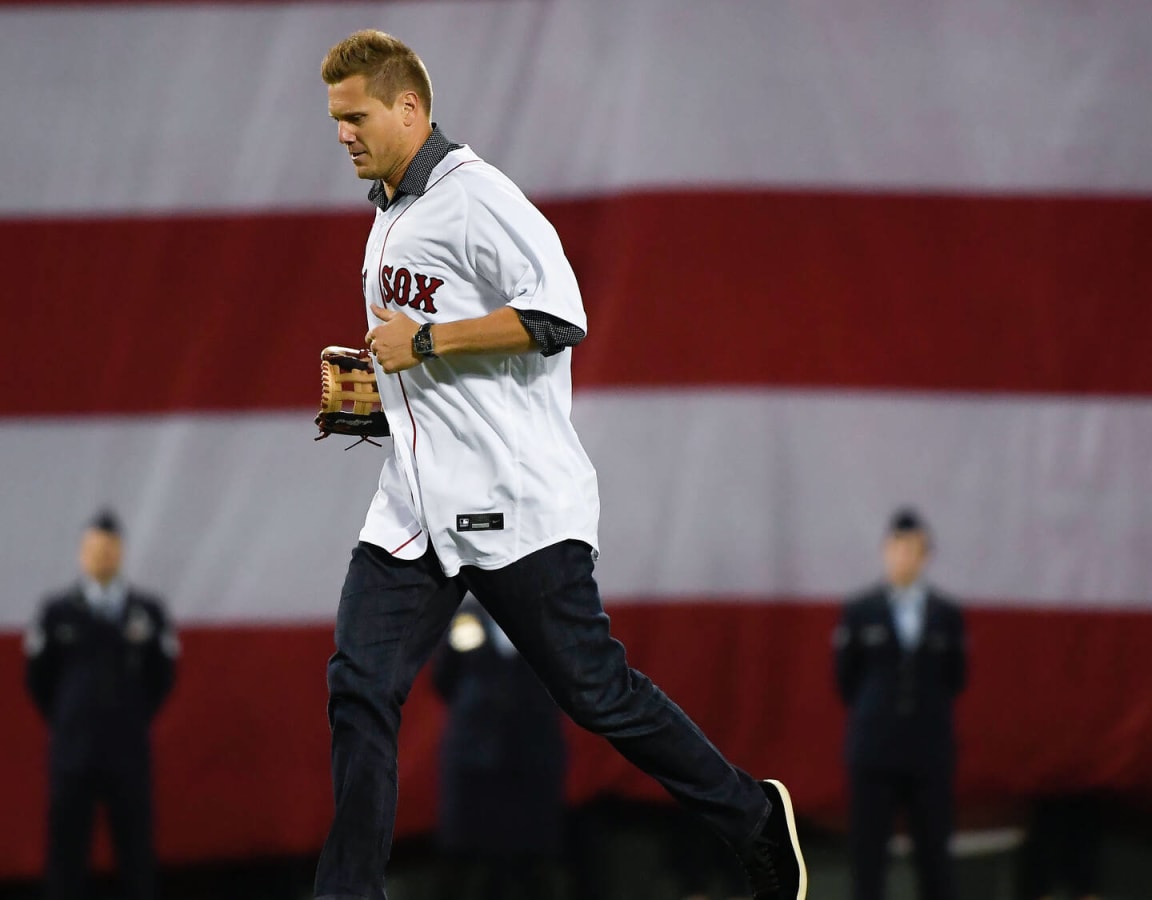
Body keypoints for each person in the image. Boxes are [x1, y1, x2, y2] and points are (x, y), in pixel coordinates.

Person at [314, 30, 805, 900]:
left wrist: (423, 342)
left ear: (409, 108)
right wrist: (393, 409)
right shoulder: (390, 205)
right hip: (415, 514)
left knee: (600, 695)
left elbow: (559, 313)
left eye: (356, 116)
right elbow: (445, 369)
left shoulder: (476, 197)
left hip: (514, 506)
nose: (343, 132)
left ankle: (753, 818)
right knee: (360, 688)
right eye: (335, 119)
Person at [25, 510, 178, 900]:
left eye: (110, 549)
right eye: (94, 549)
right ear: (81, 553)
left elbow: (161, 678)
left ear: (122, 553)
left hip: (127, 751)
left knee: (136, 857)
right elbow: (39, 680)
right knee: (66, 856)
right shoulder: (57, 612)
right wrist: (68, 719)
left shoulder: (147, 612)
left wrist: (130, 718)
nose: (102, 557)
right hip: (74, 752)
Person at [834, 508, 967, 900]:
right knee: (868, 859)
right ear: (885, 551)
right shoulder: (861, 611)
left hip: (929, 752)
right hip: (875, 751)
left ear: (926, 555)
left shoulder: (946, 614)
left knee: (935, 860)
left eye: (913, 549)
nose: (904, 557)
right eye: (897, 548)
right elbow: (846, 679)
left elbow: (956, 678)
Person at [431, 602, 567, 900]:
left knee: (531, 864)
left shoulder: (550, 613)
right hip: (473, 758)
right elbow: (444, 679)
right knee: (461, 861)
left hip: (532, 756)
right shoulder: (467, 617)